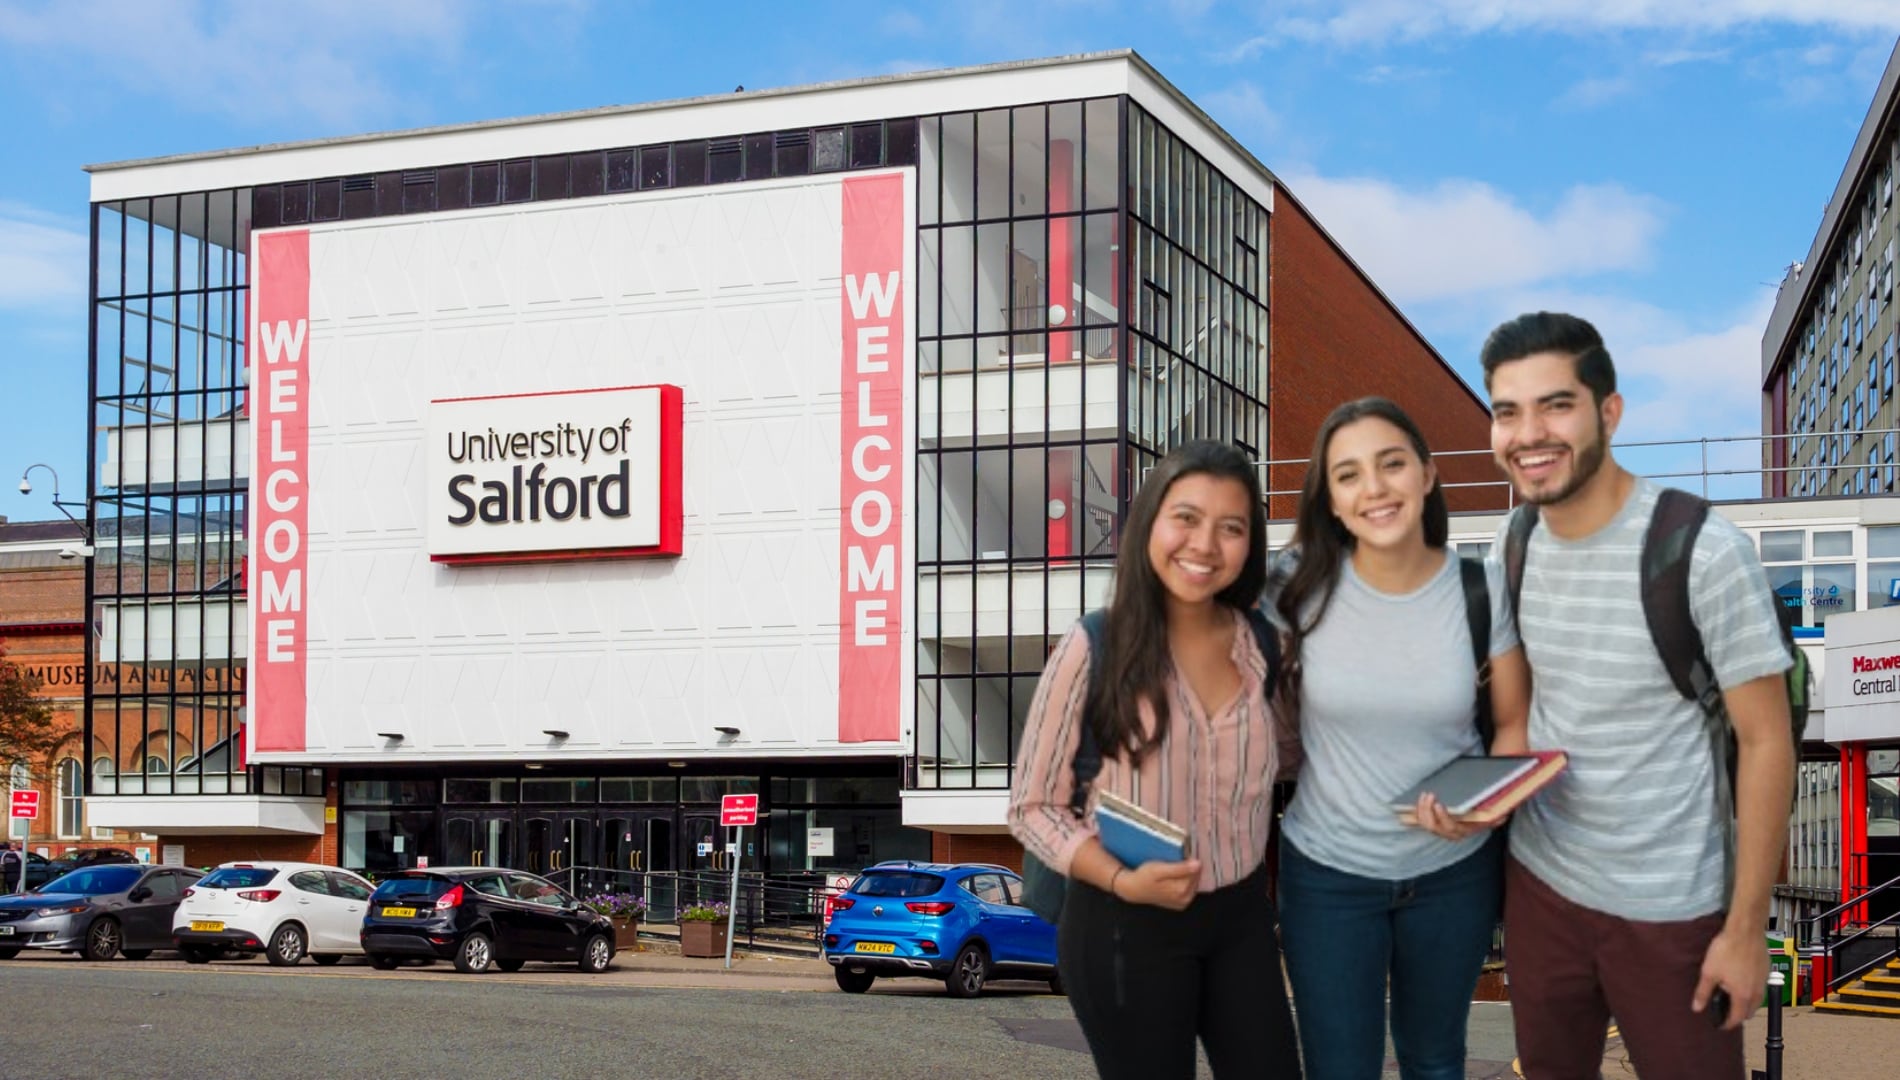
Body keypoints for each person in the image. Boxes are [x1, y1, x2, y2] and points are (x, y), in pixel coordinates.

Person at [1480, 312, 1794, 1078]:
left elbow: (1767, 742)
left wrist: (1746, 930)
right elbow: (1515, 725)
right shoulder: (1511, 545)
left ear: (1608, 412)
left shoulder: (1703, 551)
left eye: (1556, 405)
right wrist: (1470, 807)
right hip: (1544, 892)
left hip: (1674, 910)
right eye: (1507, 411)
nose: (1529, 433)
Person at [1008, 439, 1302, 1080]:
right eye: (1187, 518)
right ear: (1149, 523)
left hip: (1240, 917)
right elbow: (1033, 808)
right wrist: (1120, 878)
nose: (1205, 544)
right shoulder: (1095, 643)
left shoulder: (1266, 648)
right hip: (1121, 916)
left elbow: (1289, 758)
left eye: (1232, 527)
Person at [1266, 397, 1531, 1080]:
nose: (1374, 488)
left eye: (1391, 465)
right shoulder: (1293, 591)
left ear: (1428, 474)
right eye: (1348, 474)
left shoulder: (1482, 589)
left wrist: (1485, 807)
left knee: (1437, 1062)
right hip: (1326, 876)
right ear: (1329, 496)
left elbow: (1512, 724)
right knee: (1338, 1068)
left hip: (1454, 875)